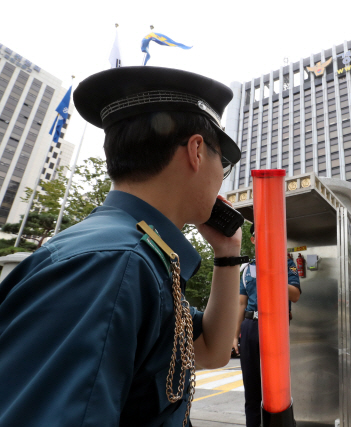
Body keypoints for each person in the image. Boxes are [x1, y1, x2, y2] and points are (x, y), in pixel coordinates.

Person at [0, 66, 245, 426]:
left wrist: (227, 254)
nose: (219, 177)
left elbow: (211, 351)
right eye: (222, 162)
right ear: (195, 150)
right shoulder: (116, 263)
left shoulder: (141, 253)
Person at [233, 224, 301, 427]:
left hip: (275, 326)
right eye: (258, 236)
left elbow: (295, 295)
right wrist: (234, 335)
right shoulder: (245, 269)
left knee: (276, 389)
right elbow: (241, 303)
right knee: (251, 388)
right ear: (253, 239)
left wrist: (271, 274)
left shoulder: (286, 264)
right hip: (250, 326)